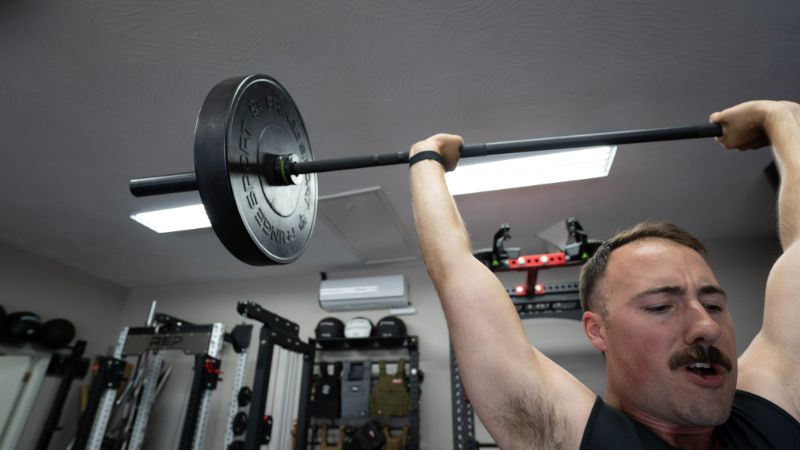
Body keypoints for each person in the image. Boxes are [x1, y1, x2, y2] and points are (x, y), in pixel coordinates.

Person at [408, 100, 800, 449]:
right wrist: (425, 159)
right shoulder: (565, 435)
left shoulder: (772, 405)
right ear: (597, 331)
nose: (707, 327)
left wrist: (781, 118)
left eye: (713, 305)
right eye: (662, 306)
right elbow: (453, 268)